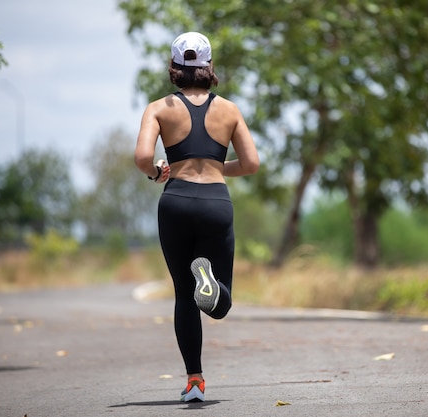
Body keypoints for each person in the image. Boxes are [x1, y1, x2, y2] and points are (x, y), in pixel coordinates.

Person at [134, 31, 260, 403]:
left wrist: (158, 172)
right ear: (208, 66)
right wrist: (219, 168)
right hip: (215, 203)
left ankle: (194, 383)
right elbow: (252, 164)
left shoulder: (158, 109)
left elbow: (143, 158)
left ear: (175, 67)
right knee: (220, 301)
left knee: (184, 297)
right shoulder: (230, 110)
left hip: (175, 202)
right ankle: (212, 284)